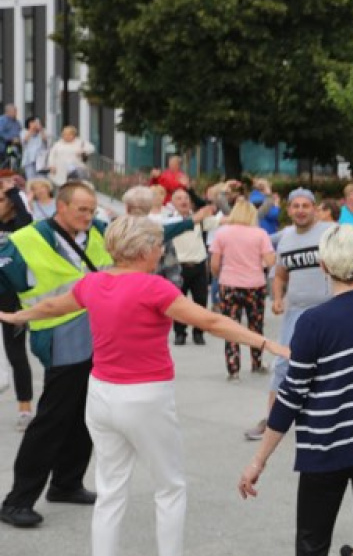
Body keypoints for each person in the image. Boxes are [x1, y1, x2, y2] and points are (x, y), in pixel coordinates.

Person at [0, 215, 287, 554]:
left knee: (110, 490)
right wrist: (264, 342)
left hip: (102, 394)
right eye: (158, 246)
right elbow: (209, 320)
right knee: (170, 487)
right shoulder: (154, 287)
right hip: (145, 397)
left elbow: (51, 306)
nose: (160, 252)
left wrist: (18, 316)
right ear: (146, 249)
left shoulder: (92, 283)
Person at [238, 224, 353, 556]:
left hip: (328, 447)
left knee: (312, 543)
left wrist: (259, 461)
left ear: (324, 267)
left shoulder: (314, 322)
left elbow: (290, 397)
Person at [0, 183, 108, 528]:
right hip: (61, 336)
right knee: (52, 418)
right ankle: (17, 500)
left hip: (99, 335)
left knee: (85, 413)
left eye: (92, 210)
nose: (88, 216)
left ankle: (67, 482)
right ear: (60, 206)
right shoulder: (25, 239)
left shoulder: (101, 233)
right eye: (82, 209)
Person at [244, 189, 334, 441]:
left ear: (315, 208)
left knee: (331, 365)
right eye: (296, 206)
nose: (301, 210)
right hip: (296, 312)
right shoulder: (285, 237)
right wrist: (278, 298)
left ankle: (332, 421)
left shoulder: (330, 232)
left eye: (306, 205)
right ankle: (272, 420)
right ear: (289, 210)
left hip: (329, 309)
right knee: (283, 364)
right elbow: (281, 273)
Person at [210, 199, 275, 380]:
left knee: (230, 327)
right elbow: (270, 261)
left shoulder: (222, 233)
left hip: (229, 284)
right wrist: (260, 266)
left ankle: (233, 369)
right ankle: (257, 362)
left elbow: (214, 263)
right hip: (254, 285)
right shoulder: (260, 234)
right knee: (256, 326)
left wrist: (219, 275)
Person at [0, 177, 33, 431]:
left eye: (1, 200)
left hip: (11, 298)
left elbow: (25, 214)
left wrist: (13, 190)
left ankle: (25, 408)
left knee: (16, 353)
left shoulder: (20, 226)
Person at [168, 188, 220, 345]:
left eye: (186, 198)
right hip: (178, 266)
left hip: (198, 265)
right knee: (179, 303)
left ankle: (198, 332)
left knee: (200, 301)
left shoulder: (199, 219)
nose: (183, 201)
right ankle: (180, 333)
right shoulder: (170, 221)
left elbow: (217, 218)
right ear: (173, 203)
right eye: (179, 198)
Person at [21, 116, 48, 182]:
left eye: (36, 122)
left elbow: (45, 141)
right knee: (31, 179)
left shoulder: (43, 132)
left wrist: (41, 130)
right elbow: (24, 141)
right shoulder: (24, 132)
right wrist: (31, 130)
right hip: (29, 160)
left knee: (42, 179)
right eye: (33, 122)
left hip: (41, 160)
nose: (35, 124)